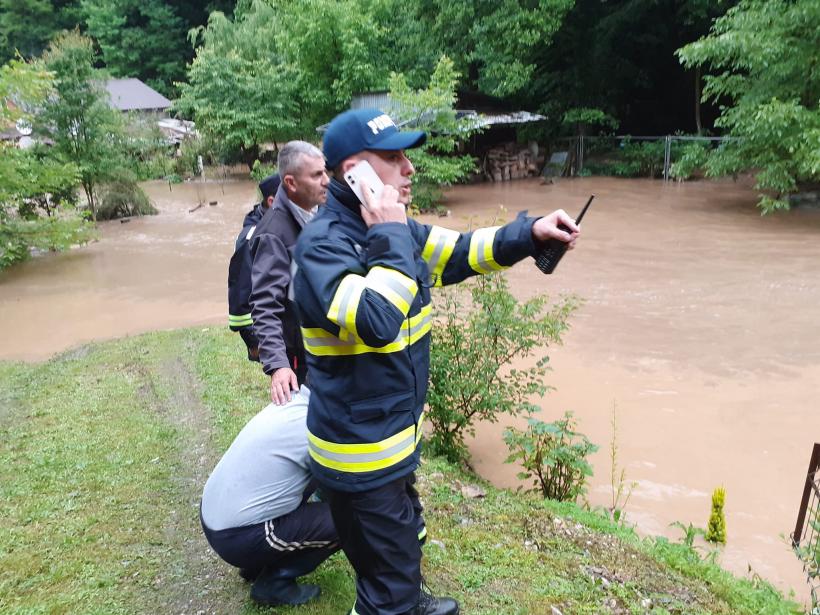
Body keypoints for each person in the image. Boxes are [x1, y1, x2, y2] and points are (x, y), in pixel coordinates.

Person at [292, 108, 581, 615]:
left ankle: (407, 599)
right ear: (354, 173)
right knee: (386, 587)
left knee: (406, 541)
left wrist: (531, 233)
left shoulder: (393, 230)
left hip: (392, 440)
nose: (410, 169)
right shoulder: (322, 247)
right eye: (394, 158)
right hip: (360, 458)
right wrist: (390, 236)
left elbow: (462, 251)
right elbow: (376, 319)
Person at [200, 387, 339, 606]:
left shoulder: (295, 400)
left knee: (304, 477)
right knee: (349, 520)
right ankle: (274, 584)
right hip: (236, 537)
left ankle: (256, 565)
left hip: (214, 516)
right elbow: (347, 488)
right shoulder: (318, 429)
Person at [249, 141, 328, 404]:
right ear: (291, 183)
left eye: (325, 171)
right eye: (316, 175)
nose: (326, 181)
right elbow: (265, 304)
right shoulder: (273, 233)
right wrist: (278, 364)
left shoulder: (324, 212)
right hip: (301, 356)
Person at [227, 173, 280, 361]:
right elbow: (240, 293)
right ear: (272, 201)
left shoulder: (280, 225)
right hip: (270, 333)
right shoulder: (251, 238)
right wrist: (254, 342)